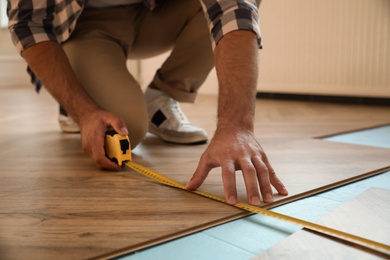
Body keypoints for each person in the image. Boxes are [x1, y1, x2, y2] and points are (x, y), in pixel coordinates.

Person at [7, 0, 288, 206]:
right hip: (82, 25)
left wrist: (237, 126)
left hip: (155, 10)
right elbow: (27, 23)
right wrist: (84, 111)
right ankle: (75, 97)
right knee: (128, 130)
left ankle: (159, 98)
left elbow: (234, 7)